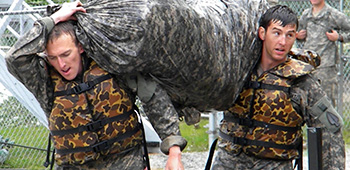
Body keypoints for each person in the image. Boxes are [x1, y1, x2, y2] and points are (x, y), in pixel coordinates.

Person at [5, 1, 187, 170]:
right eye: (53, 58)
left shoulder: (112, 62)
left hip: (126, 163)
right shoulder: (44, 81)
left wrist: (174, 151)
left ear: (81, 47)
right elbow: (14, 58)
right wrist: (55, 18)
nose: (61, 64)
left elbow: (154, 100)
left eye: (66, 54)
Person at [211, 5, 345, 170]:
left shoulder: (302, 82)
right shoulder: (239, 70)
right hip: (229, 162)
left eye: (289, 35)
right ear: (262, 33)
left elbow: (330, 128)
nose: (283, 42)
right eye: (276, 33)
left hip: (274, 165)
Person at [296, 0, 350, 110]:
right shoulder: (306, 15)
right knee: (308, 103)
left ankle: (329, 127)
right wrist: (298, 36)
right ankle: (312, 128)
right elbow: (300, 35)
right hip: (308, 66)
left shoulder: (333, 14)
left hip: (326, 68)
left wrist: (339, 37)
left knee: (327, 105)